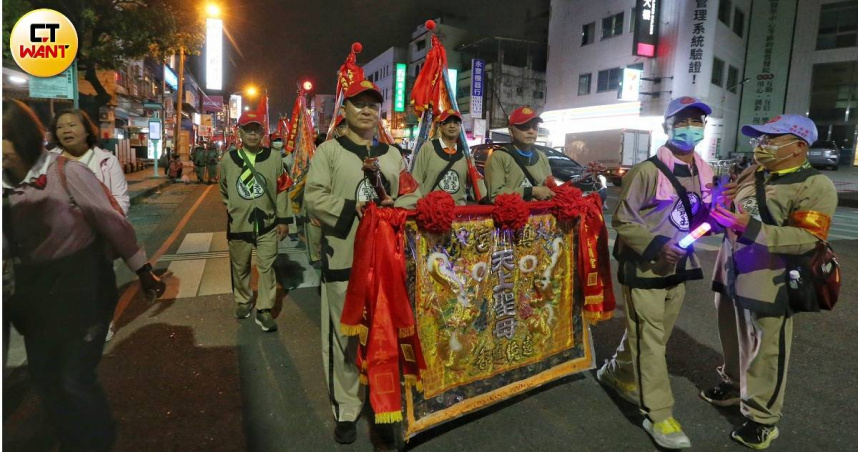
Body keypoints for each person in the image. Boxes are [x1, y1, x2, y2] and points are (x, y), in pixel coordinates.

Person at [2, 99, 164, 451]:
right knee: (45, 378)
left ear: (22, 138)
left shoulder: (67, 172)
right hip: (35, 296)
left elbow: (113, 222)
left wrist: (143, 271)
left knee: (73, 377)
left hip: (82, 287)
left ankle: (94, 440)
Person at [702, 115, 837, 449]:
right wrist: (721, 204)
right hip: (731, 267)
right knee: (731, 333)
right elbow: (734, 210)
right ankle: (733, 384)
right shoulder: (755, 172)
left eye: (770, 140)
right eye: (759, 140)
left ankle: (762, 418)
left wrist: (750, 228)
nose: (761, 146)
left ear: (799, 146)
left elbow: (808, 238)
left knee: (766, 348)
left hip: (770, 277)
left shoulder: (815, 185)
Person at [596, 97, 716, 449]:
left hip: (678, 268)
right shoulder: (646, 171)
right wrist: (656, 244)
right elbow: (623, 220)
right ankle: (659, 415)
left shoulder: (704, 171)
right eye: (683, 120)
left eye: (697, 121)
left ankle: (617, 372)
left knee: (654, 337)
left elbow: (702, 216)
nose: (691, 127)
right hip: (644, 268)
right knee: (650, 341)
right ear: (666, 126)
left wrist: (720, 216)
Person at [305, 80, 421, 444]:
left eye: (374, 104)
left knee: (384, 337)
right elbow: (313, 198)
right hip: (344, 261)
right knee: (345, 340)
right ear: (345, 110)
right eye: (359, 104)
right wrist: (351, 209)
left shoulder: (392, 155)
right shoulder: (328, 153)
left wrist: (394, 207)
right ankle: (347, 408)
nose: (367, 110)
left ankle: (384, 404)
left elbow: (411, 194)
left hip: (386, 264)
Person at [219, 111, 290, 332]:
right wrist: (235, 208)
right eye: (247, 129)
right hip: (239, 224)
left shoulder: (273, 158)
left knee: (267, 267)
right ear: (239, 132)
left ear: (263, 132)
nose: (252, 133)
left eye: (256, 129)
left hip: (267, 224)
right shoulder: (229, 160)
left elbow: (282, 189)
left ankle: (264, 309)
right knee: (240, 267)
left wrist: (283, 219)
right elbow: (224, 188)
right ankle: (243, 300)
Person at [50, 109, 130, 215]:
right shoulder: (48, 162)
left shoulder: (108, 161)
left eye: (72, 125)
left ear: (87, 130)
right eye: (60, 127)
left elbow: (120, 199)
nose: (66, 130)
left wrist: (108, 225)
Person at [412, 108, 486, 205]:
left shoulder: (465, 154)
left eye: (456, 123)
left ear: (460, 126)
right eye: (447, 122)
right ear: (440, 126)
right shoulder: (428, 148)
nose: (452, 126)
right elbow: (416, 180)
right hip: (433, 212)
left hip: (458, 213)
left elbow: (477, 187)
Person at [484, 106, 555, 202]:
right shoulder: (499, 157)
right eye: (524, 127)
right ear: (511, 131)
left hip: (540, 216)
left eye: (535, 127)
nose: (531, 131)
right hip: (512, 215)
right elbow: (495, 195)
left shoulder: (542, 157)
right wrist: (531, 191)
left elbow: (550, 188)